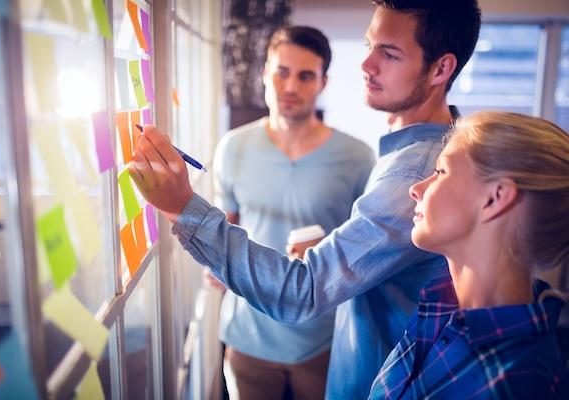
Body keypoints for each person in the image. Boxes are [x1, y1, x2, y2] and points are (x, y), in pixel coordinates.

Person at [128, 1, 481, 398]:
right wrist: (330, 250)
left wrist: (182, 207)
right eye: (369, 45)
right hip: (255, 334)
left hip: (338, 356)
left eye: (389, 53)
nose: (366, 65)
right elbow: (375, 256)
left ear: (440, 69)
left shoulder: (409, 172)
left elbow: (305, 291)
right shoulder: (408, 156)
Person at [210, 26, 374, 400]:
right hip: (249, 333)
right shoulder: (232, 148)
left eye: (305, 76)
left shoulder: (358, 158)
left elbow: (368, 251)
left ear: (323, 82)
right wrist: (214, 266)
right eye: (281, 72)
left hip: (323, 337)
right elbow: (226, 226)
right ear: (265, 73)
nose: (291, 86)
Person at [369, 111, 569, 399]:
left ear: (495, 197)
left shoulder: (520, 382)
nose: (415, 189)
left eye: (441, 171)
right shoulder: (441, 308)